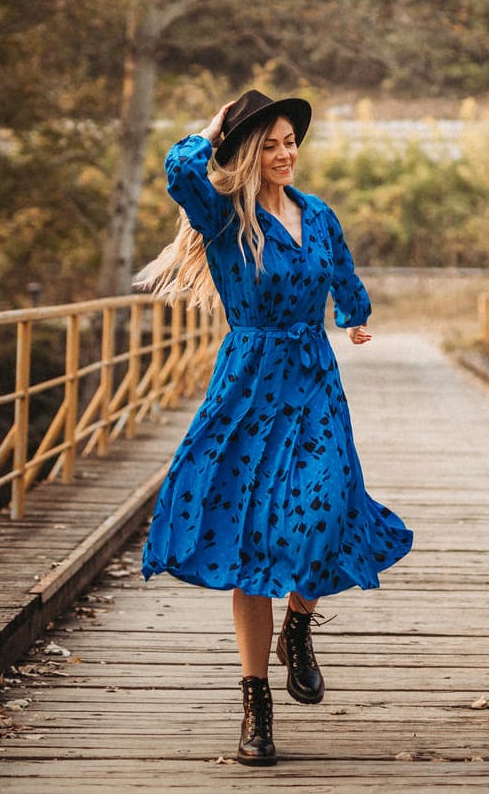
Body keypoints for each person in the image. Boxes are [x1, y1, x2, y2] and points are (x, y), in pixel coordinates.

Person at [135, 90, 413, 766]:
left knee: (322, 510)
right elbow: (178, 170)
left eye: (291, 141)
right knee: (250, 539)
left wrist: (353, 312)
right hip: (249, 385)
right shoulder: (225, 216)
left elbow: (340, 269)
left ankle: (299, 626)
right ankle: (255, 701)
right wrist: (214, 128)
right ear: (245, 150)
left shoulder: (316, 213)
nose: (285, 153)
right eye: (270, 143)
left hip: (313, 380)